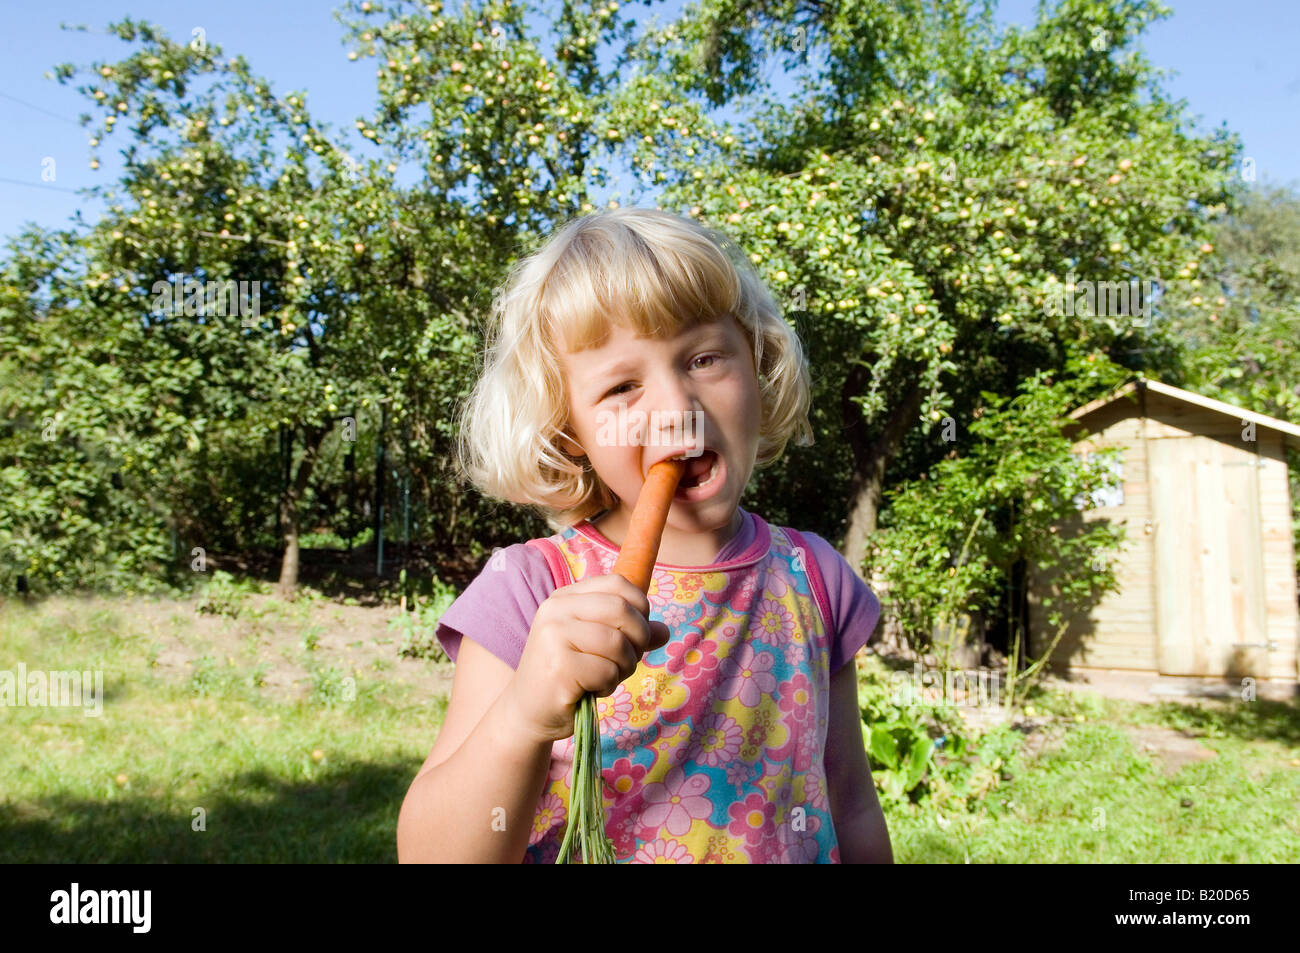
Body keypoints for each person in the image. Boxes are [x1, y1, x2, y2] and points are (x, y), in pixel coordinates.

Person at [396, 207, 893, 864]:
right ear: (569, 430)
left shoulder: (816, 578)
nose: (675, 406)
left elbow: (849, 796)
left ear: (758, 363)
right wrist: (523, 715)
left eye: (705, 357)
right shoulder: (529, 587)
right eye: (622, 386)